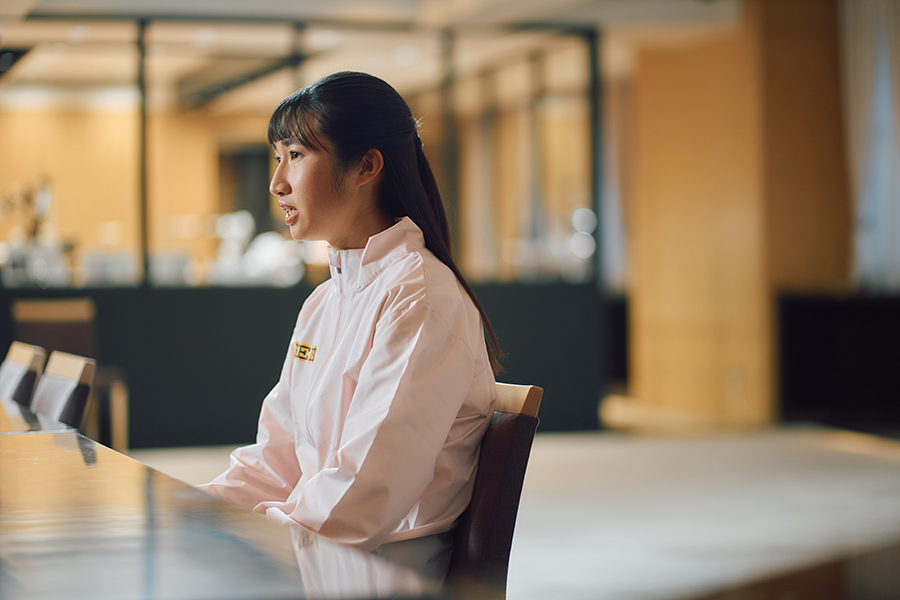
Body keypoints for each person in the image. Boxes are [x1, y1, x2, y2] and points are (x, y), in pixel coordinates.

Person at [197, 71, 503, 582]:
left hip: (377, 568)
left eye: (295, 155)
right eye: (278, 158)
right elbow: (279, 455)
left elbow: (364, 493)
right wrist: (194, 513)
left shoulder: (421, 298)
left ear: (366, 165)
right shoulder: (325, 301)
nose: (277, 183)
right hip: (321, 552)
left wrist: (255, 541)